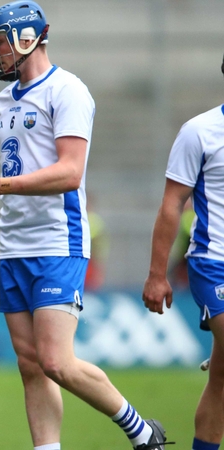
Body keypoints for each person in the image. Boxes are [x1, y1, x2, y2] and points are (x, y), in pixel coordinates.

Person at [0, 2, 168, 449]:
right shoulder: (2, 102)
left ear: (27, 38)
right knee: (31, 365)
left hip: (58, 242)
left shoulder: (67, 91)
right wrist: (1, 253)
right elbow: (20, 178)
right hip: (15, 249)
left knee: (57, 361)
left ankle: (143, 432)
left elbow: (70, 172)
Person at [142, 54, 224, 450]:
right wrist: (158, 274)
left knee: (222, 375)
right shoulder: (200, 132)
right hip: (214, 262)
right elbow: (172, 204)